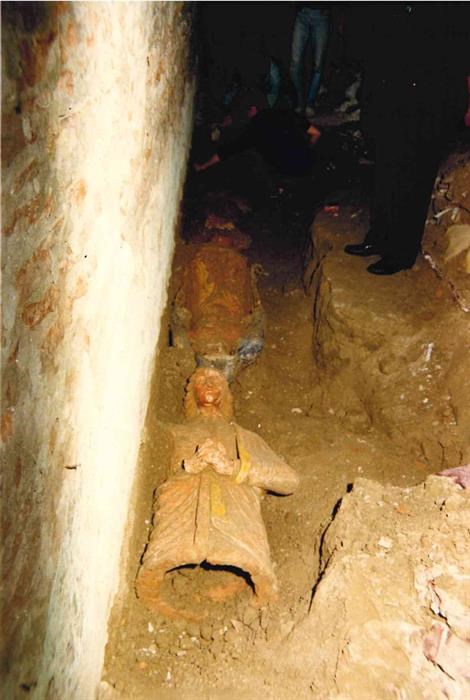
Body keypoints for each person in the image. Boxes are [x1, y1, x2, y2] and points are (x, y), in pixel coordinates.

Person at [135, 367, 299, 618]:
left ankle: (245, 585)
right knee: (162, 561)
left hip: (237, 520)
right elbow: (151, 476)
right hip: (179, 516)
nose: (209, 382)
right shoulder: (172, 433)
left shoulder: (243, 436)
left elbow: (289, 481)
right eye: (201, 379)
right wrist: (189, 468)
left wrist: (233, 467)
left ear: (226, 393)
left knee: (249, 562)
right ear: (191, 393)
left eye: (216, 379)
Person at [344, 4, 468, 275]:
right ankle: (379, 237)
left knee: (416, 177)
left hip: (431, 99)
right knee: (386, 169)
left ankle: (401, 252)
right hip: (393, 92)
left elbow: (458, 51)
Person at [194, 90, 321, 178]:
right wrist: (308, 148)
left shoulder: (252, 131)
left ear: (253, 110)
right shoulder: (287, 114)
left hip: (287, 172)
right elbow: (316, 133)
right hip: (309, 165)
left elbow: (226, 151)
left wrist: (204, 166)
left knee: (253, 159)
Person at [290, 2, 330, 118]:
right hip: (302, 13)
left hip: (322, 16)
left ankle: (310, 103)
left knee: (318, 65)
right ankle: (299, 102)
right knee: (295, 64)